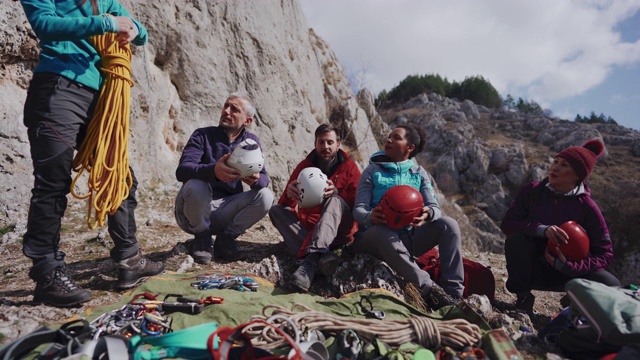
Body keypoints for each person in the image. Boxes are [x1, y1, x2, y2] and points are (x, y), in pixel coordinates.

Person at [20, 0, 165, 308]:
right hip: (57, 89)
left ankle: (129, 259)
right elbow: (44, 24)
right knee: (52, 184)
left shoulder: (103, 1)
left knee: (118, 176)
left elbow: (143, 35)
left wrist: (133, 28)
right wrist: (107, 24)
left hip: (98, 96)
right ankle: (47, 275)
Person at [501, 139, 621, 315]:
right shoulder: (533, 191)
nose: (554, 168)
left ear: (577, 176)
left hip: (569, 273)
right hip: (535, 268)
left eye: (564, 165)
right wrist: (542, 230)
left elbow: (605, 253)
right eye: (555, 161)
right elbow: (508, 224)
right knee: (516, 240)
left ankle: (573, 305)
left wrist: (572, 267)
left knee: (611, 283)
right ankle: (523, 298)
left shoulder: (587, 207)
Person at [352, 123, 464, 310]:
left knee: (449, 224)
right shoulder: (372, 171)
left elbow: (435, 208)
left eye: (396, 138)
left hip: (406, 239)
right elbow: (358, 210)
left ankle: (453, 295)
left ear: (409, 147)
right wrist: (371, 216)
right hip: (372, 239)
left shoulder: (419, 174)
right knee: (382, 232)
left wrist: (427, 214)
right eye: (389, 136)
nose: (389, 140)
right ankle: (430, 291)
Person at [174, 92, 274, 265]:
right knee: (197, 184)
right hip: (192, 212)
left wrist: (255, 180)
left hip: (224, 211)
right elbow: (182, 171)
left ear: (247, 121)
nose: (226, 111)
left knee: (266, 196)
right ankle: (202, 239)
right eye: (226, 106)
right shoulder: (202, 135)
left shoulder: (251, 142)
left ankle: (225, 241)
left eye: (234, 109)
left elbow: (264, 179)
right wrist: (213, 171)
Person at [269, 124, 362, 291]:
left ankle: (310, 262)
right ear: (315, 143)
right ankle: (323, 257)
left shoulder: (350, 168)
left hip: (339, 230)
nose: (325, 147)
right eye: (321, 142)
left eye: (330, 142)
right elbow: (286, 204)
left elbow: (359, 204)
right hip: (310, 228)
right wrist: (290, 194)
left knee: (334, 200)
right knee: (276, 211)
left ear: (338, 144)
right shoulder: (304, 167)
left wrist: (338, 192)